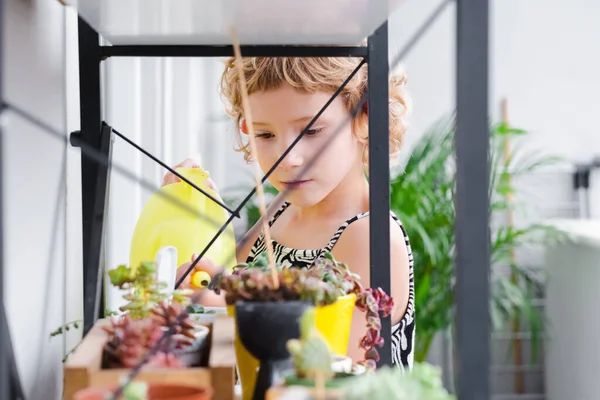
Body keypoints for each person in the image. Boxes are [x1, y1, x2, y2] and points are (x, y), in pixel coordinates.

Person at [164, 56, 415, 369]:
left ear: (363, 117)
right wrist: (195, 210)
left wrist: (221, 312)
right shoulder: (281, 210)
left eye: (311, 131)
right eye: (265, 135)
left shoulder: (370, 235)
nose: (288, 158)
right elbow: (227, 283)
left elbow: (331, 372)